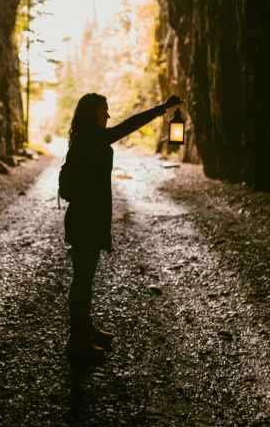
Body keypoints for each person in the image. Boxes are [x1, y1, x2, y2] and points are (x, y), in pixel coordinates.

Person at [63, 92, 182, 363]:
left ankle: (85, 329)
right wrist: (161, 109)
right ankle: (77, 341)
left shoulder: (85, 139)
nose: (107, 115)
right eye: (103, 110)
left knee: (85, 277)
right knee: (82, 279)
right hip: (86, 219)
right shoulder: (92, 139)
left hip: (86, 217)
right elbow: (129, 125)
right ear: (91, 114)